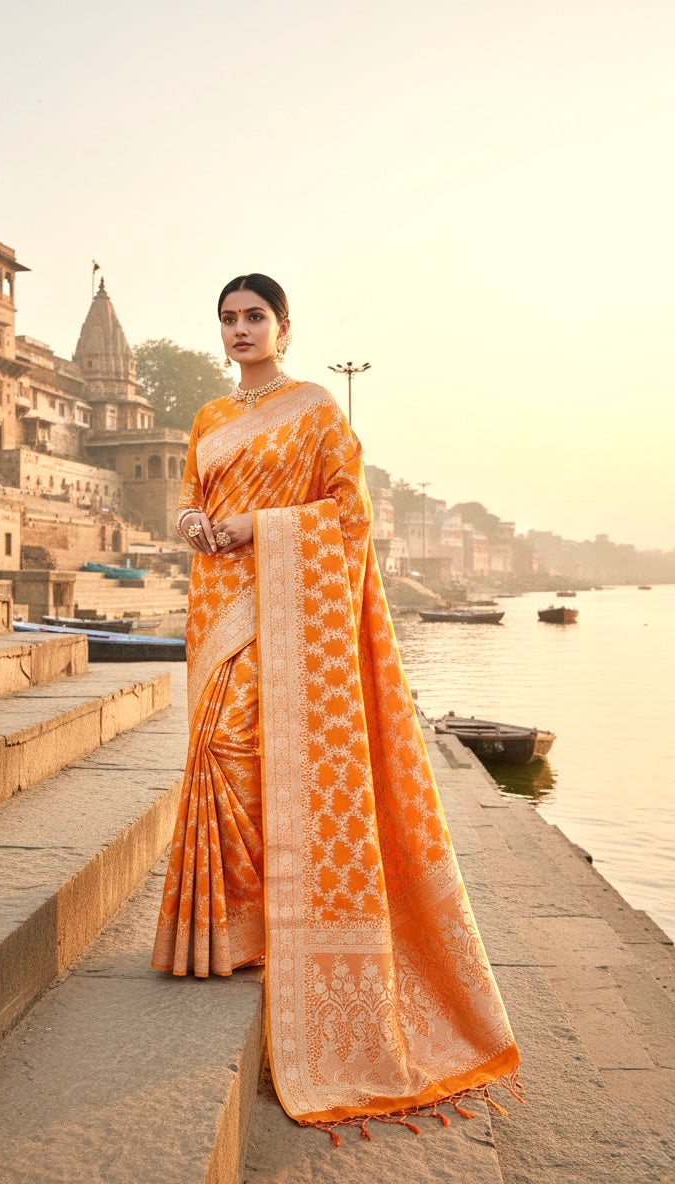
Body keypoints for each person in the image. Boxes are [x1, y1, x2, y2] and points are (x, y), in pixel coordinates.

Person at [152, 274, 521, 1141]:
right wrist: (191, 523)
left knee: (244, 746)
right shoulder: (209, 418)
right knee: (213, 749)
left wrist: (260, 528)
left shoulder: (316, 408)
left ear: (284, 326)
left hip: (283, 598)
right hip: (219, 606)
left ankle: (278, 921)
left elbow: (347, 513)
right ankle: (230, 929)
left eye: (255, 318)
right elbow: (194, 496)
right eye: (230, 320)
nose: (241, 330)